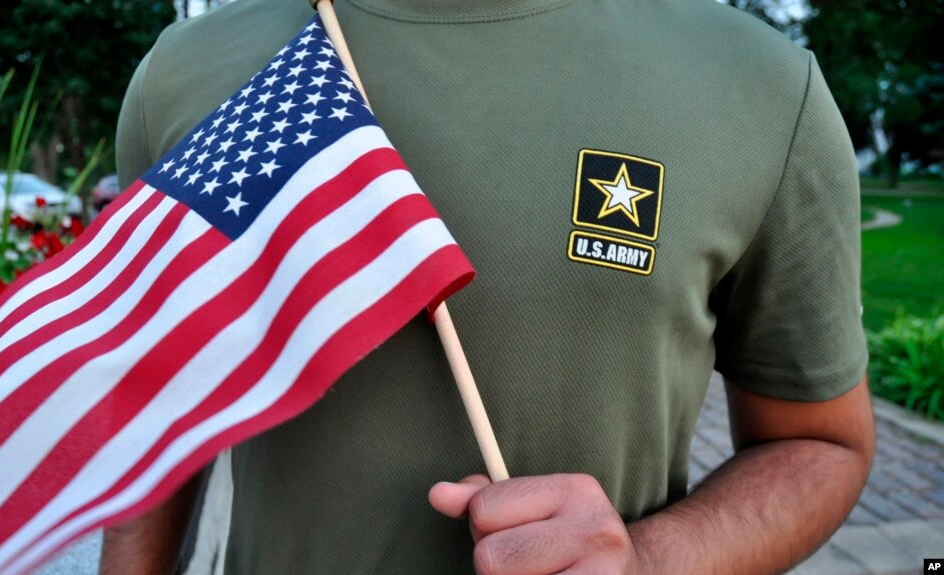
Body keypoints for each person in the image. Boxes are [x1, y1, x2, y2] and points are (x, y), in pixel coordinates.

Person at [102, 0, 875, 573]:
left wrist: (649, 558)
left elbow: (819, 440)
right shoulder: (185, 75)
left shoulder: (759, 88)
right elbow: (154, 405)